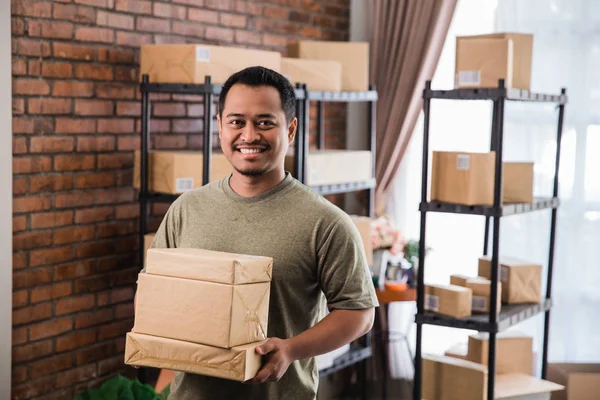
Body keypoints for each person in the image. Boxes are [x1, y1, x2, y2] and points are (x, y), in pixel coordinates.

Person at [141, 66, 379, 399]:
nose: (249, 135)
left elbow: (359, 313)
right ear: (220, 126)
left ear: (291, 129)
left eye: (264, 123)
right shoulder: (186, 209)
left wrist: (292, 350)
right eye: (236, 121)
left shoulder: (325, 222)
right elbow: (165, 297)